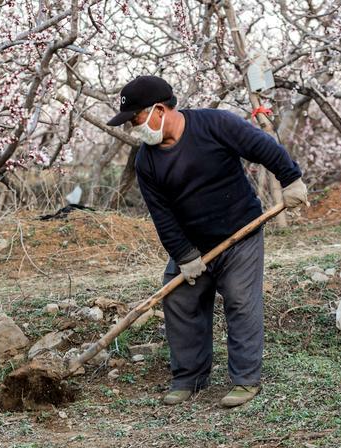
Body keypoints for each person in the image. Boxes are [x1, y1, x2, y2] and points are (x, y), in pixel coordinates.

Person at [106, 75, 308, 406]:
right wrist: (184, 256)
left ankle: (245, 380)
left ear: (159, 109)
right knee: (181, 301)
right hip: (191, 242)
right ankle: (189, 377)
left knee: (241, 302)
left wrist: (291, 180)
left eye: (136, 118)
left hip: (239, 233)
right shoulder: (147, 162)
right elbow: (163, 216)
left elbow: (263, 148)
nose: (133, 128)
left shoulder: (215, 124)